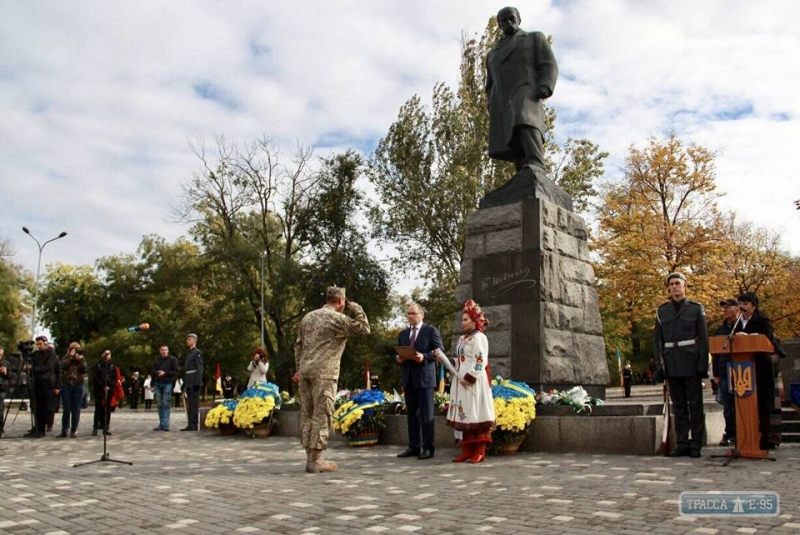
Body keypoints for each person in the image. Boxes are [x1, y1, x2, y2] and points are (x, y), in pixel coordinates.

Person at [294, 286, 370, 473]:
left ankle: (309, 458)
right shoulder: (338, 319)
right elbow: (364, 329)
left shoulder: (308, 317)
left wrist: (298, 368)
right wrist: (357, 308)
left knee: (307, 414)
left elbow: (298, 345)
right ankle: (316, 460)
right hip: (324, 373)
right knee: (322, 414)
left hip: (305, 372)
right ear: (341, 301)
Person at [486, 6, 558, 172]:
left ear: (519, 19)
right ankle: (522, 172)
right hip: (501, 99)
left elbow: (549, 64)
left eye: (511, 18)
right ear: (499, 25)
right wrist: (491, 102)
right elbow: (490, 84)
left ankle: (536, 163)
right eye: (504, 20)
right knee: (510, 135)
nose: (508, 22)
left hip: (526, 89)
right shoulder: (492, 54)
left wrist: (545, 85)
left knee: (524, 119)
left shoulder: (534, 38)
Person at [653, 272, 709, 458]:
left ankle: (696, 444)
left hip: (691, 360)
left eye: (678, 283)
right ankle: (683, 443)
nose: (675, 286)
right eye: (672, 284)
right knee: (679, 406)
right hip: (672, 362)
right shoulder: (662, 311)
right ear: (668, 288)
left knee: (695, 405)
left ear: (685, 286)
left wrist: (703, 364)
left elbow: (703, 339)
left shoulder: (695, 309)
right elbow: (658, 342)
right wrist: (660, 366)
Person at [436, 300, 495, 464]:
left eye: (465, 320)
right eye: (462, 320)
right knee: (466, 415)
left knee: (476, 413)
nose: (462, 323)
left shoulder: (480, 338)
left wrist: (469, 378)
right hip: (460, 380)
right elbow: (461, 360)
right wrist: (446, 360)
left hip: (473, 381)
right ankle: (467, 449)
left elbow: (480, 361)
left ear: (475, 321)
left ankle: (480, 450)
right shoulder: (463, 338)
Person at [735, 292, 786, 450]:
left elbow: (769, 338)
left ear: (754, 306)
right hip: (744, 368)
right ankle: (747, 436)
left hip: (761, 365)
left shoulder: (762, 319)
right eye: (740, 303)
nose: (742, 306)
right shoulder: (738, 322)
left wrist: (750, 336)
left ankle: (765, 436)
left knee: (764, 402)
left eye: (746, 303)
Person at [395, 303, 444, 460]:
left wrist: (425, 357)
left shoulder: (430, 331)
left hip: (424, 379)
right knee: (411, 415)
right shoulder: (403, 334)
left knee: (426, 415)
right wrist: (398, 358)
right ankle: (414, 446)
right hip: (408, 378)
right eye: (408, 314)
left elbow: (439, 351)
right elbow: (399, 352)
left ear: (422, 314)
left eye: (413, 313)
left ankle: (428, 447)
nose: (410, 316)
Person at [711, 298, 739, 447]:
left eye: (729, 307)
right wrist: (715, 373)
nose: (726, 310)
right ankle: (730, 433)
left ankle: (744, 433)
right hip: (724, 371)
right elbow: (715, 354)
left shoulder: (742, 327)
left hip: (741, 371)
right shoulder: (720, 330)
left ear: (737, 308)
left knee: (740, 405)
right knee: (727, 407)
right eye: (724, 308)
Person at [24, 336, 59, 438]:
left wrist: (33, 369)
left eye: (40, 344)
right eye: (37, 344)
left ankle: (42, 429)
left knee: (44, 407)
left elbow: (47, 367)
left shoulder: (51, 354)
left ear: (45, 343)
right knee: (36, 406)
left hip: (46, 383)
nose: (39, 346)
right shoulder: (36, 354)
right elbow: (30, 363)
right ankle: (37, 427)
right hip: (36, 382)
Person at [58, 343, 86, 438]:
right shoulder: (66, 358)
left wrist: (80, 360)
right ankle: (64, 430)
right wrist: (71, 359)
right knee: (66, 409)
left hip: (77, 385)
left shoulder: (82, 359)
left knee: (76, 409)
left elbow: (84, 370)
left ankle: (74, 430)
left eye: (77, 350)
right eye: (73, 350)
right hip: (66, 384)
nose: (75, 352)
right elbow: (62, 367)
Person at [91, 350, 120, 436]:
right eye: (105, 353)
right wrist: (103, 386)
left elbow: (115, 378)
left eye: (109, 354)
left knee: (107, 409)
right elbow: (96, 378)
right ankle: (95, 427)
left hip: (109, 390)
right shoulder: (98, 365)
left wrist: (109, 386)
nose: (107, 355)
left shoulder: (112, 366)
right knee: (98, 409)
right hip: (99, 390)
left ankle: (105, 427)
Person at [152, 345, 179, 431]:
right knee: (160, 404)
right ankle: (161, 424)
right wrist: (157, 373)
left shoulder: (172, 360)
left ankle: (166, 425)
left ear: (168, 351)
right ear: (160, 351)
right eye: (162, 350)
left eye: (165, 350)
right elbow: (153, 370)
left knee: (166, 403)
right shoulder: (157, 360)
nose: (164, 351)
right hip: (157, 383)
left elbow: (176, 372)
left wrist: (165, 373)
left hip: (167, 383)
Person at [181, 333, 203, 431]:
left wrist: (198, 382)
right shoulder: (189, 353)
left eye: (189, 339)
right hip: (189, 380)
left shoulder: (197, 353)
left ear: (194, 340)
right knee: (190, 403)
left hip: (194, 381)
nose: (187, 341)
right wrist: (184, 383)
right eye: (187, 339)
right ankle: (190, 423)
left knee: (194, 404)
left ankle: (194, 424)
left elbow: (200, 368)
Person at [0, 345, 8, 437]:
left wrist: (5, 372)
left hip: (1, 388)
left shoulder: (5, 363)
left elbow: (10, 376)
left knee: (0, 409)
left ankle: (0, 427)